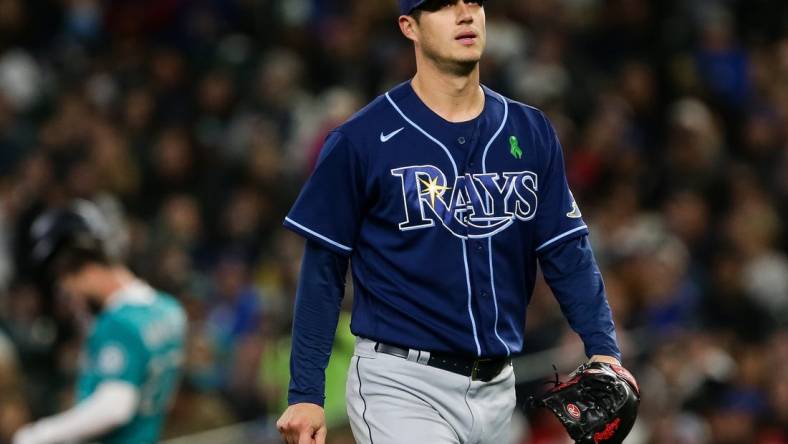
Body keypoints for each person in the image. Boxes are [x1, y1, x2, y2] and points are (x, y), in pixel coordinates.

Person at [277, 1, 622, 443]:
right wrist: (306, 392)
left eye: (472, 2)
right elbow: (323, 271)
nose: (464, 15)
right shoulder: (361, 140)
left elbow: (565, 251)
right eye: (441, 6)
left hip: (499, 386)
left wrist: (604, 350)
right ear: (409, 27)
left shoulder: (530, 130)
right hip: (401, 384)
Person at [13, 200, 187, 444]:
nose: (67, 292)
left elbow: (115, 407)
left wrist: (37, 435)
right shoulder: (170, 310)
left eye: (63, 278)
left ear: (72, 265)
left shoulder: (118, 324)